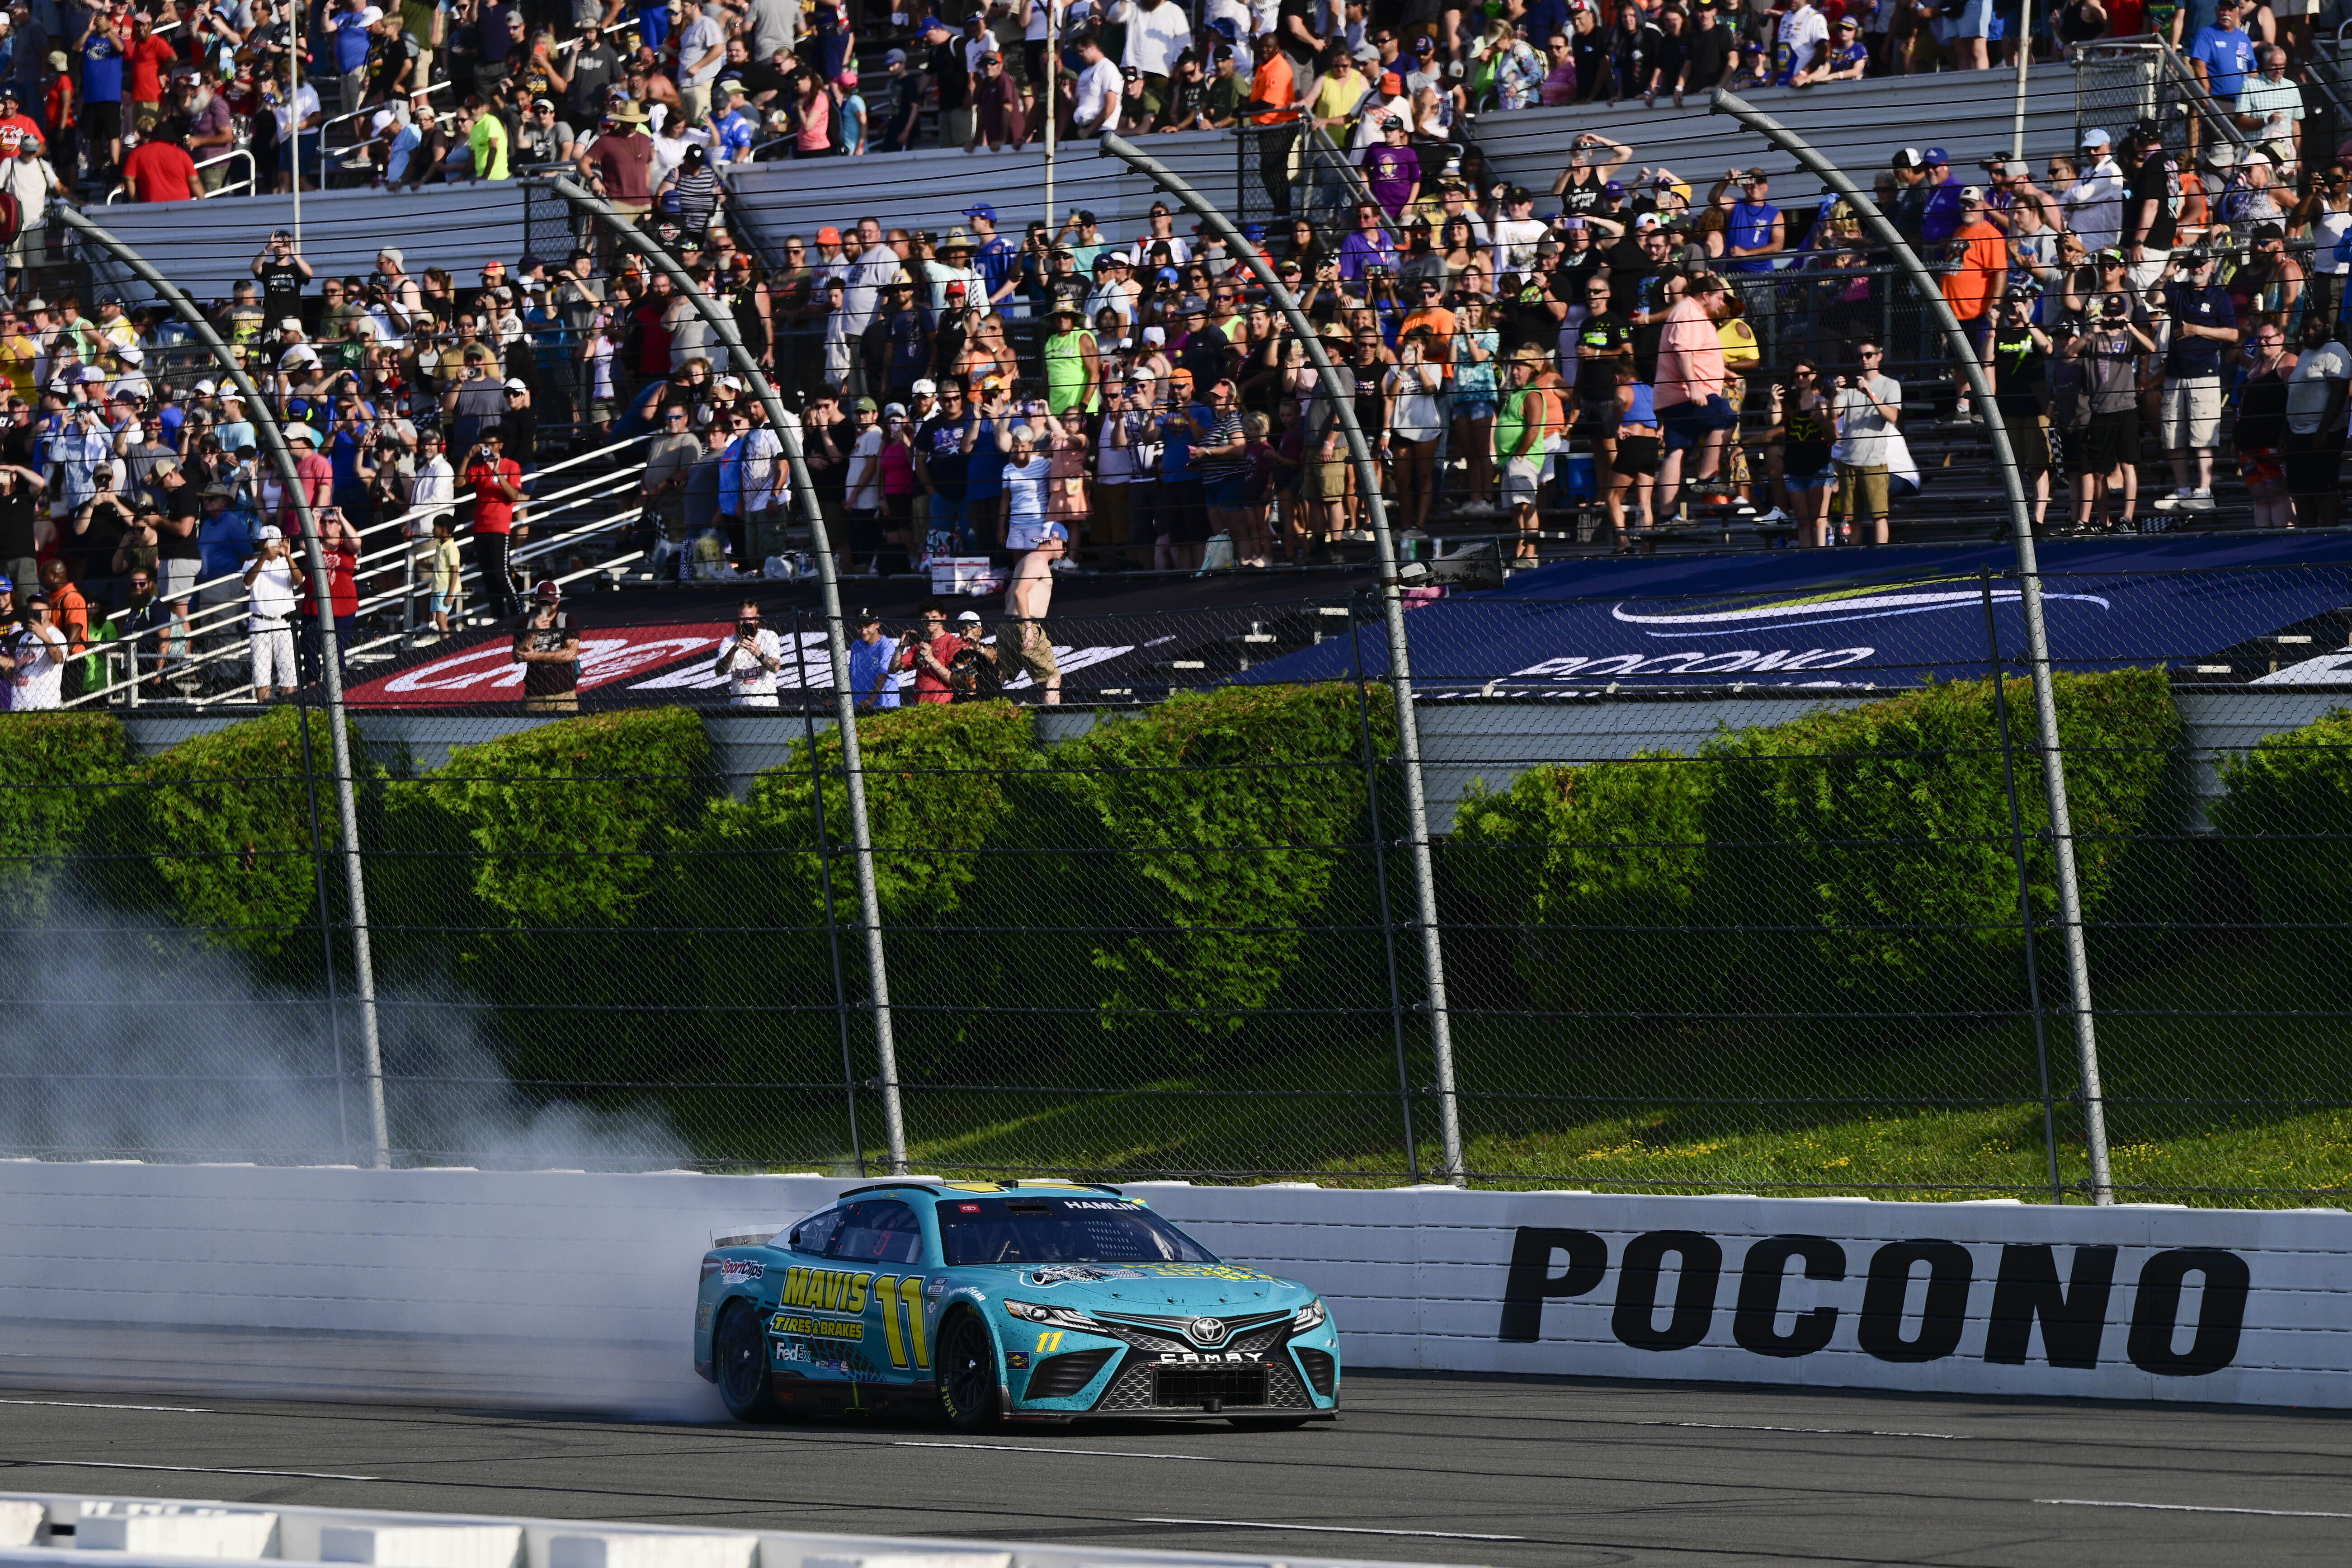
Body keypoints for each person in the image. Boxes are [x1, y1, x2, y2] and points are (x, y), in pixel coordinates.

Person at [2156, 248, 2238, 515]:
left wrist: (2196, 330)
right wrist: (2167, 274)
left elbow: (2233, 334)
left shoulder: (2219, 296)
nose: (2197, 269)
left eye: (2202, 264)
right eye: (2193, 265)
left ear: (2212, 267)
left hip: (2205, 373)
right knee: (2173, 435)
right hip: (2175, 374)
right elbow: (2152, 297)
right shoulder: (2178, 290)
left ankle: (2204, 491)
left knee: (2203, 435)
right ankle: (2182, 490)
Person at [1831, 341, 1902, 546]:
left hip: (1874, 461)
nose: (1864, 359)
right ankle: (1856, 561)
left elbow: (1892, 416)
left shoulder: (1890, 385)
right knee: (1852, 518)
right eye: (1860, 356)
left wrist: (1871, 393)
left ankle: (1880, 557)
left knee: (1879, 516)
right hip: (1849, 460)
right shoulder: (1852, 386)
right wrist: (1835, 392)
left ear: (1880, 356)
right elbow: (1833, 414)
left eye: (1869, 355)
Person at [467, 428, 526, 619]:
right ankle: (498, 618)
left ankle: (519, 614)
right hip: (480, 528)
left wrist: (497, 471)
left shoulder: (511, 466)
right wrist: (468, 456)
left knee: (502, 574)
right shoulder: (479, 467)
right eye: (485, 445)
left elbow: (513, 497)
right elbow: (458, 483)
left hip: (500, 528)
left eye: (492, 444)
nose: (489, 448)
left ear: (501, 445)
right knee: (488, 577)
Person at [242, 523, 305, 699]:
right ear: (261, 544)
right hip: (260, 623)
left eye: (276, 542)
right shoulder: (251, 563)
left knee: (289, 674)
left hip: (284, 623)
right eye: (269, 542)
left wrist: (289, 556)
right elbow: (248, 582)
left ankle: (288, 714)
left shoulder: (287, 563)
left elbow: (299, 581)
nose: (273, 546)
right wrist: (263, 559)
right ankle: (263, 715)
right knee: (261, 675)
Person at [510, 578, 580, 712]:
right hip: (535, 696)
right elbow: (517, 656)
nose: (546, 606)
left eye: (550, 603)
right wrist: (533, 633)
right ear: (535, 600)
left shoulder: (567, 620)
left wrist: (536, 656)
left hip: (564, 696)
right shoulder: (525, 623)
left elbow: (571, 654)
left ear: (558, 600)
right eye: (543, 602)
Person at [712, 596, 784, 707]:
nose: (746, 622)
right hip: (739, 708)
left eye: (750, 619)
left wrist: (759, 654)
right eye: (742, 619)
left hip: (767, 706)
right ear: (737, 619)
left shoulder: (769, 636)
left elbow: (776, 668)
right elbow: (719, 672)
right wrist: (733, 650)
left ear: (757, 618)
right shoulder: (729, 642)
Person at [2, 588, 62, 708]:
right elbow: (23, 663)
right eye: (32, 611)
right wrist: (12, 671)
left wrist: (44, 637)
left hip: (42, 707)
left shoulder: (56, 636)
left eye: (40, 611)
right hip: (18, 707)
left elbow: (59, 659)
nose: (35, 614)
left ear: (50, 613)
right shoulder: (25, 637)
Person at [847, 607, 901, 711]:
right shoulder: (856, 646)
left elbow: (883, 674)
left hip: (885, 709)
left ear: (877, 624)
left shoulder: (886, 645)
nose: (864, 631)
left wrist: (870, 700)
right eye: (860, 626)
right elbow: (851, 677)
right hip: (859, 708)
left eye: (867, 625)